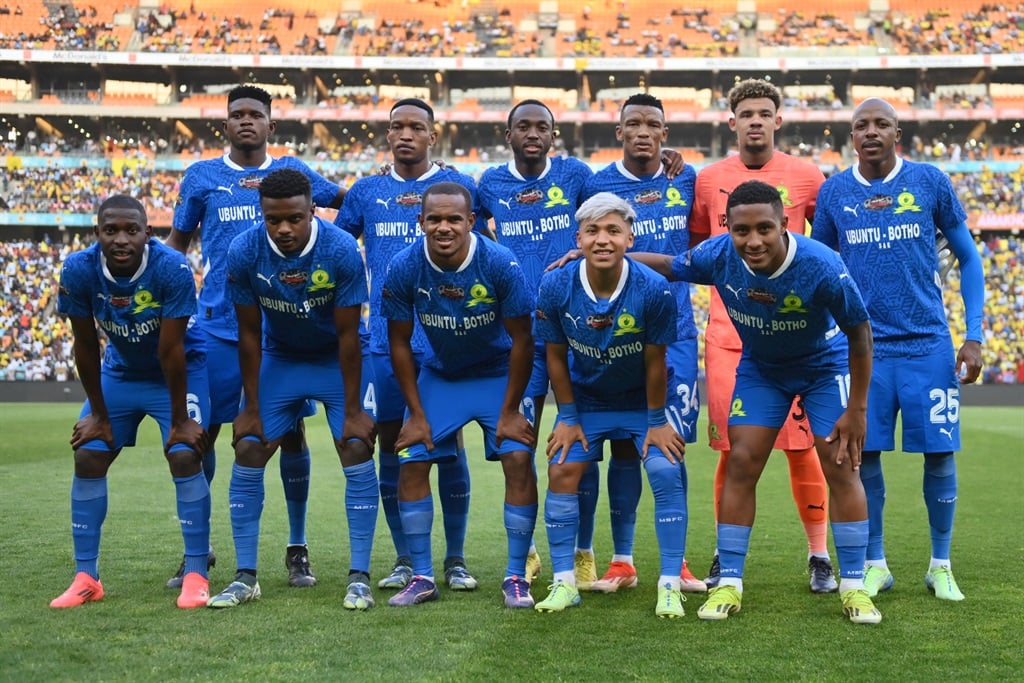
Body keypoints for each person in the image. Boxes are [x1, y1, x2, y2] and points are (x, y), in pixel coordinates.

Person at [630, 179, 881, 624]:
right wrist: (604, 256)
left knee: (840, 464)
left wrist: (857, 409)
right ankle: (729, 581)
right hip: (763, 369)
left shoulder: (823, 265)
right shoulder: (719, 254)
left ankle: (856, 586)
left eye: (765, 228)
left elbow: (860, 335)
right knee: (742, 460)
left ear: (785, 224)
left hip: (824, 368)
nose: (753, 241)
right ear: (729, 229)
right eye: (741, 230)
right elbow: (670, 266)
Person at [476, 99, 688, 589]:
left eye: (542, 127)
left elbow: (617, 204)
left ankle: (585, 552)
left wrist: (665, 155)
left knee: (586, 444)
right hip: (518, 335)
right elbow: (446, 200)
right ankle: (525, 553)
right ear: (505, 133)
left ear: (555, 134)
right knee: (520, 447)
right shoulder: (487, 182)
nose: (532, 134)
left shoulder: (578, 176)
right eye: (522, 126)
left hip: (578, 329)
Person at [167, 84, 346, 589]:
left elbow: (349, 209)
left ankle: (298, 545)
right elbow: (177, 245)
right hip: (220, 329)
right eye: (237, 114)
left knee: (289, 433)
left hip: (285, 332)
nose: (246, 121)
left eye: (255, 115)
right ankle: (198, 552)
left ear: (272, 125)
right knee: (204, 435)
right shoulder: (202, 176)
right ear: (225, 124)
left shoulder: (293, 172)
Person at [811, 97, 985, 602]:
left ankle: (940, 563)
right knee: (863, 456)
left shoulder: (930, 182)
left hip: (928, 342)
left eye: (880, 124)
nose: (870, 132)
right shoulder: (834, 193)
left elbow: (970, 259)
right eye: (860, 125)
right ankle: (875, 562)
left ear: (896, 132)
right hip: (863, 349)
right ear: (851, 135)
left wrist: (973, 334)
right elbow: (822, 268)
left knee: (940, 453)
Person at [688, 78, 838, 593]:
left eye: (764, 112)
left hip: (795, 337)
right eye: (745, 113)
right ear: (731, 122)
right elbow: (693, 250)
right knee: (734, 450)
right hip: (729, 338)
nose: (755, 120)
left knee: (804, 450)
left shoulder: (807, 176)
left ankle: (819, 554)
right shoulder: (707, 180)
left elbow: (829, 241)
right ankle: (722, 554)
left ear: (778, 120)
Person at [207, 169, 376, 609]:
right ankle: (246, 576)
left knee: (356, 444)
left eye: (294, 219)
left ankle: (359, 576)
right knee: (248, 445)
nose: (284, 229)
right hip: (281, 357)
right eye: (273, 220)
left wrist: (355, 408)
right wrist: (251, 405)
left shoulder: (340, 249)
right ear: (261, 215)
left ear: (312, 211)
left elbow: (347, 337)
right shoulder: (243, 250)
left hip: (332, 359)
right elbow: (248, 333)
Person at [334, 98, 480, 592]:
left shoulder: (458, 186)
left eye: (416, 127)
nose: (405, 135)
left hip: (444, 339)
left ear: (433, 136)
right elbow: (335, 248)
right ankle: (403, 556)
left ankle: (456, 558)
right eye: (397, 126)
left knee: (449, 444)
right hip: (384, 341)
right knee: (393, 447)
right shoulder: (367, 190)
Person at [50, 195, 211, 610]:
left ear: (148, 234)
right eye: (111, 231)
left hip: (178, 372)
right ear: (97, 233)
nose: (121, 239)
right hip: (120, 372)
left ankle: (196, 573)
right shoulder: (78, 269)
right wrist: (99, 414)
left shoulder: (171, 267)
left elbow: (172, 349)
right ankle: (87, 577)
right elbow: (85, 345)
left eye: (131, 230)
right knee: (88, 454)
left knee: (183, 453)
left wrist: (179, 420)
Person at [533, 192, 689, 618]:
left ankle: (670, 584)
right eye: (593, 231)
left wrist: (657, 421)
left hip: (642, 401)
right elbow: (554, 355)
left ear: (629, 237)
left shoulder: (654, 288)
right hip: (587, 401)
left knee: (664, 467)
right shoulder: (555, 283)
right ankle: (565, 583)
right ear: (578, 237)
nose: (603, 239)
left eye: (613, 231)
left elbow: (657, 361)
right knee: (562, 466)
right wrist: (566, 416)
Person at [382, 182, 537, 608]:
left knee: (518, 457)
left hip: (497, 375)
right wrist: (414, 413)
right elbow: (398, 341)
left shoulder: (499, 262)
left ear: (471, 221)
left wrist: (509, 411)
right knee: (411, 458)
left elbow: (524, 339)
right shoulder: (404, 265)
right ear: (421, 222)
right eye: (435, 219)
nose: (444, 227)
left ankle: (515, 576)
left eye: (454, 219)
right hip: (442, 375)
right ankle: (423, 576)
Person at [580, 93, 704, 593]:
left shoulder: (686, 177)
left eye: (653, 124)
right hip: (613, 331)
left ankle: (679, 562)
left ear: (665, 134)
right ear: (620, 132)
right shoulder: (595, 183)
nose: (643, 132)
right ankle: (622, 559)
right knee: (626, 448)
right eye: (634, 123)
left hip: (676, 331)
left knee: (670, 444)